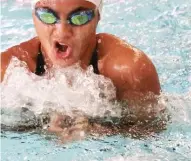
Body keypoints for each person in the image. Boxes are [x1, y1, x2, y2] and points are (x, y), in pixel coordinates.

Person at [1, 0, 163, 141]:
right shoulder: (9, 70)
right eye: (48, 16)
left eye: (79, 18)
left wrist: (98, 130)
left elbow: (152, 131)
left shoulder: (128, 69)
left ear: (97, 17)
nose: (62, 32)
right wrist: (40, 129)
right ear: (33, 16)